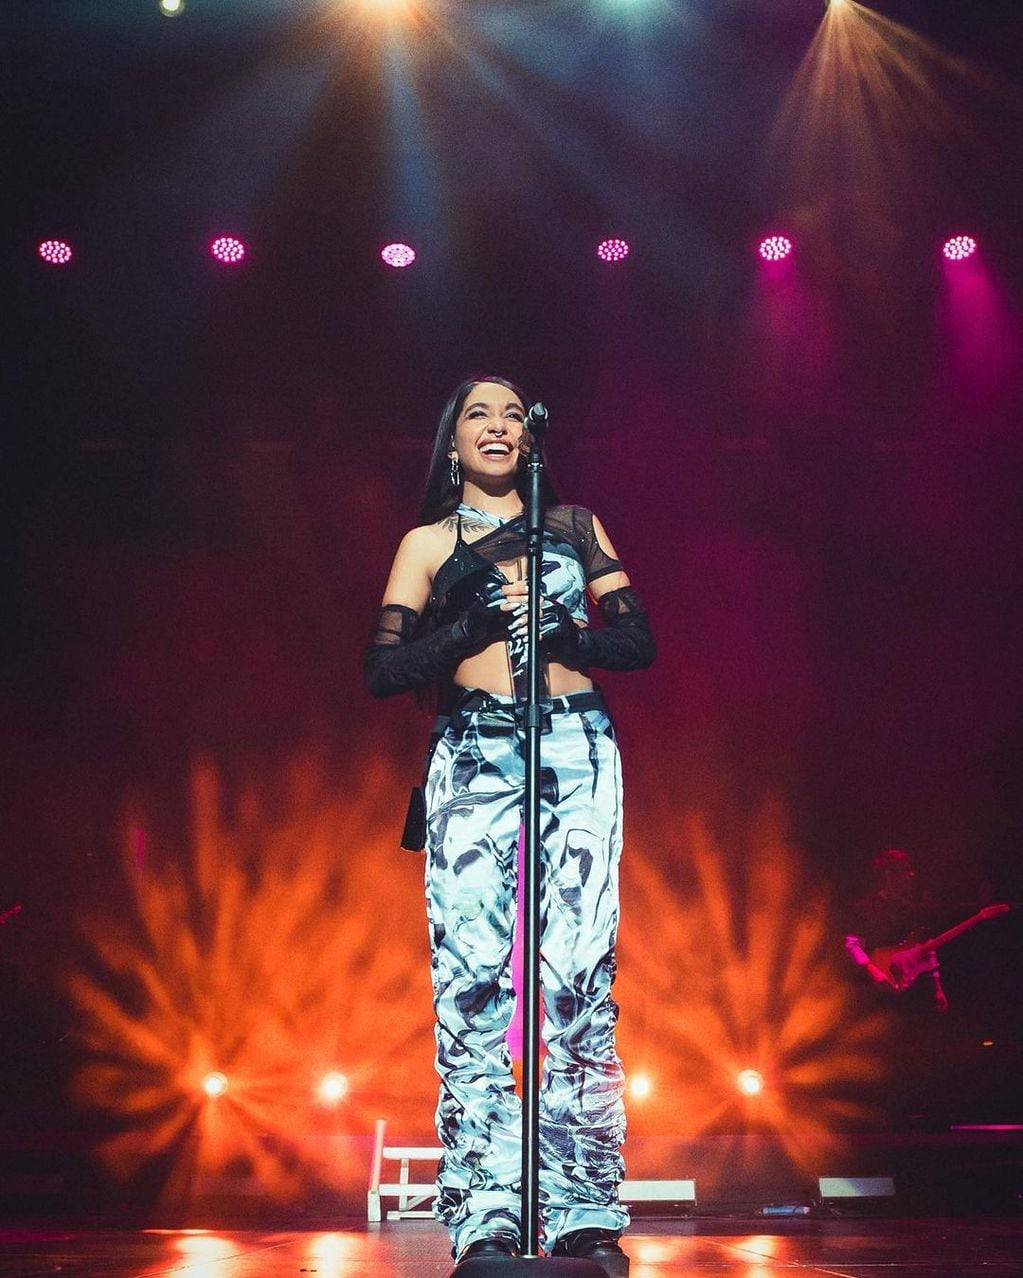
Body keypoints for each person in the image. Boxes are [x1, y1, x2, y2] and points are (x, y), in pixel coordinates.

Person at [364, 377, 654, 1270]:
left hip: (575, 748)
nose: (496, 424)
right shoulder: (425, 542)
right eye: (475, 414)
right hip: (474, 753)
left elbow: (636, 642)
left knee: (575, 986)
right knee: (476, 990)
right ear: (451, 444)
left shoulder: (575, 527)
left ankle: (584, 1210)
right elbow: (383, 670)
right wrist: (462, 634)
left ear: (531, 439)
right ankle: (485, 1213)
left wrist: (566, 638)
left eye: (510, 413)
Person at [844, 848, 948, 1011]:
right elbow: (852, 945)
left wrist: (937, 988)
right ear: (888, 874)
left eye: (909, 870)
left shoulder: (912, 910)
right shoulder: (865, 908)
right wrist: (872, 970)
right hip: (873, 992)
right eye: (904, 870)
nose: (909, 876)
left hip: (908, 991)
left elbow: (927, 948)